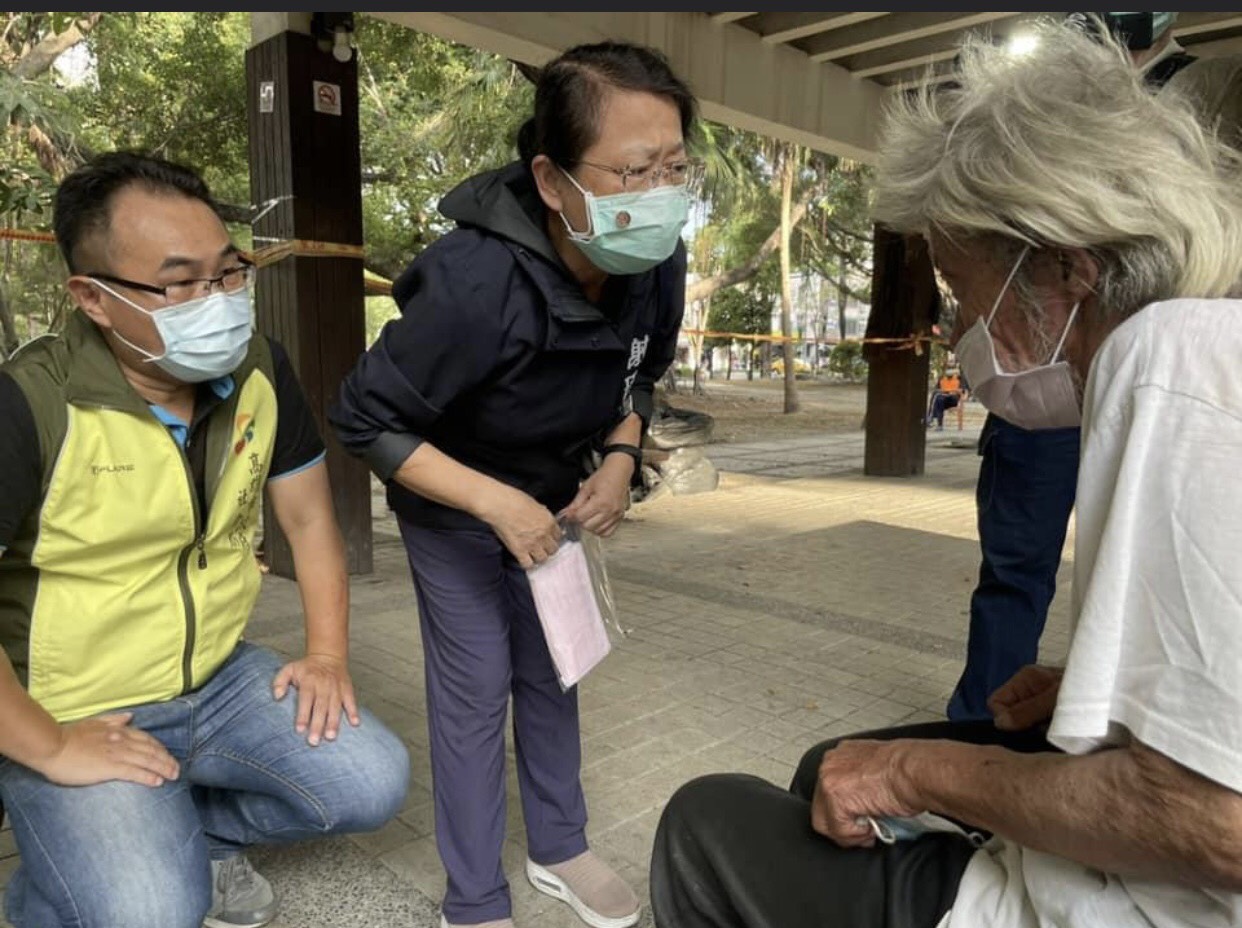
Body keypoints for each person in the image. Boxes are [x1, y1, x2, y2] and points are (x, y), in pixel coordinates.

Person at [652, 16, 1242, 928]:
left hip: (1153, 903)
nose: (959, 330)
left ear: (1066, 269)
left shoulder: (1176, 359)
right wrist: (1117, 700)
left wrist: (911, 771)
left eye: (968, 294)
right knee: (828, 770)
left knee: (709, 820)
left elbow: (1217, 822)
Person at [329, 41, 693, 928]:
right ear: (552, 177)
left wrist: (617, 458)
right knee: (475, 686)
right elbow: (364, 418)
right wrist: (495, 503)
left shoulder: (656, 262)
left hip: (556, 501)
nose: (660, 193)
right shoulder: (474, 282)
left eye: (676, 167)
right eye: (635, 169)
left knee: (555, 669)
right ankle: (475, 897)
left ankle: (559, 845)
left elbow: (636, 378)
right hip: (457, 507)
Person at [0, 152, 410, 928]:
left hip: (218, 681)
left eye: (228, 272)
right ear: (92, 297)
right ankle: (55, 890)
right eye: (179, 283)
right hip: (77, 706)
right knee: (152, 911)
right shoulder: (30, 406)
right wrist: (49, 745)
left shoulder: (259, 369)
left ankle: (196, 840)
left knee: (372, 780)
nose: (217, 300)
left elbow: (309, 519)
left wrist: (326, 656)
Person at [945, 10, 1197, 721]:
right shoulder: (1030, 93)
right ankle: (984, 724)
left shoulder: (1216, 91)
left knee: (1148, 570)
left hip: (1149, 383)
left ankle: (1111, 716)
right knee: (1016, 566)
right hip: (1047, 380)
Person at [926, 366, 967, 431]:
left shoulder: (959, 378)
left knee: (937, 396)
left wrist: (949, 391)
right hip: (943, 399)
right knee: (939, 399)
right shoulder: (942, 378)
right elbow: (937, 389)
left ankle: (930, 417)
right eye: (947, 370)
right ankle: (939, 425)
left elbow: (962, 391)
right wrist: (944, 391)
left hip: (953, 399)